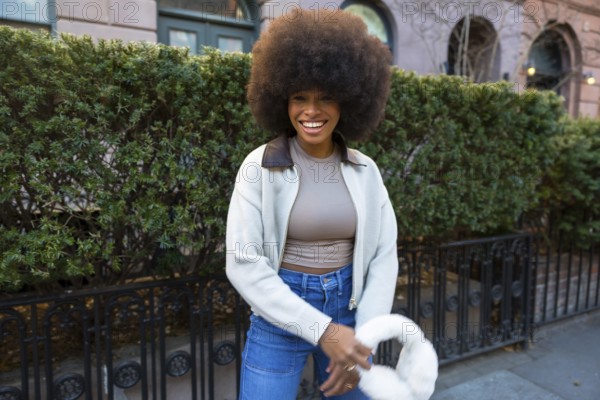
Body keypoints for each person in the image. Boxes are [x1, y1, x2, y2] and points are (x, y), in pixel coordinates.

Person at [226, 8, 398, 399]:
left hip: (350, 309)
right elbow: (244, 261)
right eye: (299, 97)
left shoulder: (364, 171)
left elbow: (383, 256)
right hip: (279, 315)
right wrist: (323, 330)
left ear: (350, 101)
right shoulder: (259, 167)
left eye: (326, 98)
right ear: (281, 100)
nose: (311, 111)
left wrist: (363, 338)